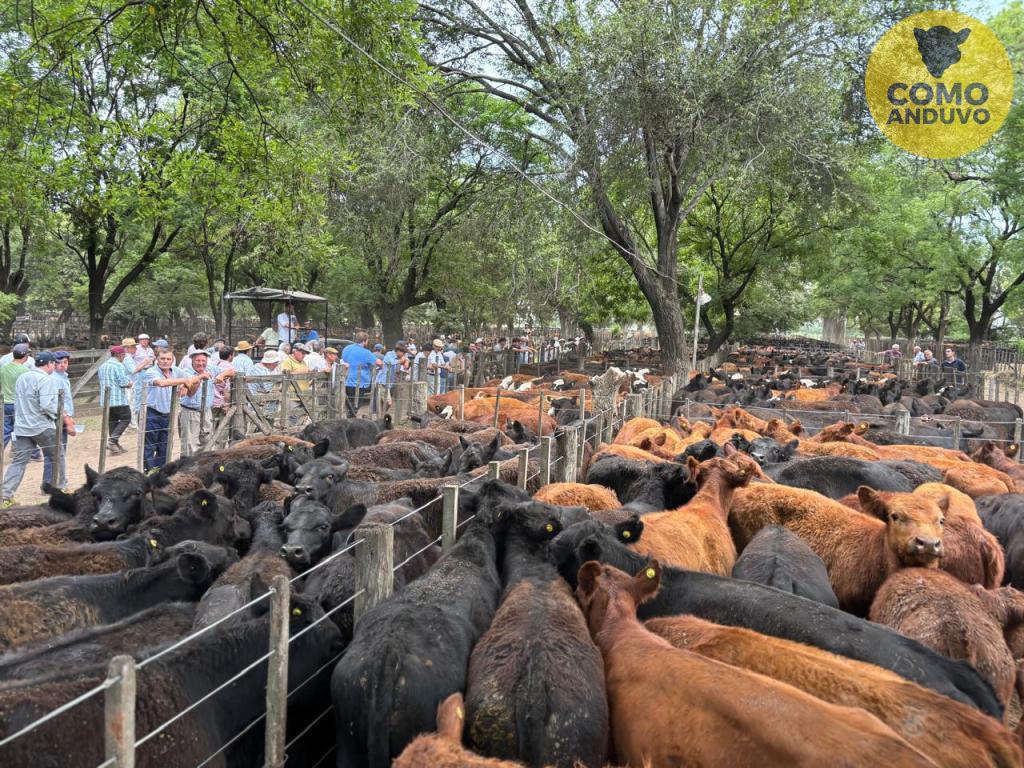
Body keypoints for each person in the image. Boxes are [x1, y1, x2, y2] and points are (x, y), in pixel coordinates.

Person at [2, 351, 59, 506]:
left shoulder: (22, 377)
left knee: (19, 462)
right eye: (54, 363)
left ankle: (5, 496)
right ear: (49, 364)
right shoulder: (45, 380)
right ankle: (56, 491)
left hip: (22, 426)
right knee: (56, 456)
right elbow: (46, 405)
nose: (54, 366)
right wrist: (60, 412)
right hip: (41, 426)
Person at [140, 349, 198, 471]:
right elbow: (161, 383)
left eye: (168, 359)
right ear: (157, 359)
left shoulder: (175, 371)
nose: (165, 361)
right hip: (152, 412)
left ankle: (160, 471)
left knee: (165, 445)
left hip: (167, 414)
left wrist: (185, 386)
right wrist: (183, 381)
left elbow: (194, 379)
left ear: (172, 360)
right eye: (162, 358)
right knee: (150, 445)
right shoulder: (151, 372)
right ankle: (149, 472)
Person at [178, 349, 233, 456]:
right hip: (191, 412)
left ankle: (202, 468)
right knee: (190, 444)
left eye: (203, 360)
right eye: (198, 360)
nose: (201, 363)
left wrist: (222, 375)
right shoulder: (186, 372)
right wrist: (200, 377)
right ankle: (187, 468)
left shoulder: (211, 369)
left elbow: (231, 371)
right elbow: (190, 393)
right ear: (192, 360)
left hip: (207, 411)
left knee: (207, 441)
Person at [45, 350, 77, 489]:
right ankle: (52, 483)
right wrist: (67, 420)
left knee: (59, 451)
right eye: (59, 363)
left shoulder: (63, 376)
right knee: (56, 452)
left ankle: (53, 482)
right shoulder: (54, 378)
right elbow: (58, 403)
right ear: (53, 363)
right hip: (58, 417)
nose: (62, 365)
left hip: (63, 416)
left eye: (65, 362)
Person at [99, 345, 133, 454]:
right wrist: (129, 384)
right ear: (119, 355)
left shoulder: (102, 366)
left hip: (106, 399)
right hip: (118, 398)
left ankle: (115, 445)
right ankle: (113, 441)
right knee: (126, 418)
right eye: (123, 354)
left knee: (112, 421)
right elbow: (123, 383)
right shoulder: (118, 365)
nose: (124, 357)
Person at [0, 343, 32, 448]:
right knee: (23, 429)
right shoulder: (25, 371)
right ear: (25, 356)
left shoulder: (3, 369)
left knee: (6, 431)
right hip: (18, 405)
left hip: (5, 403)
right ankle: (33, 453)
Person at [342, 332, 381, 417]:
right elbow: (379, 363)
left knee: (348, 404)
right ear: (365, 341)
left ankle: (350, 419)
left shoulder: (346, 348)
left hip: (346, 380)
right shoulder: (366, 352)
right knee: (356, 405)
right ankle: (350, 421)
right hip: (359, 382)